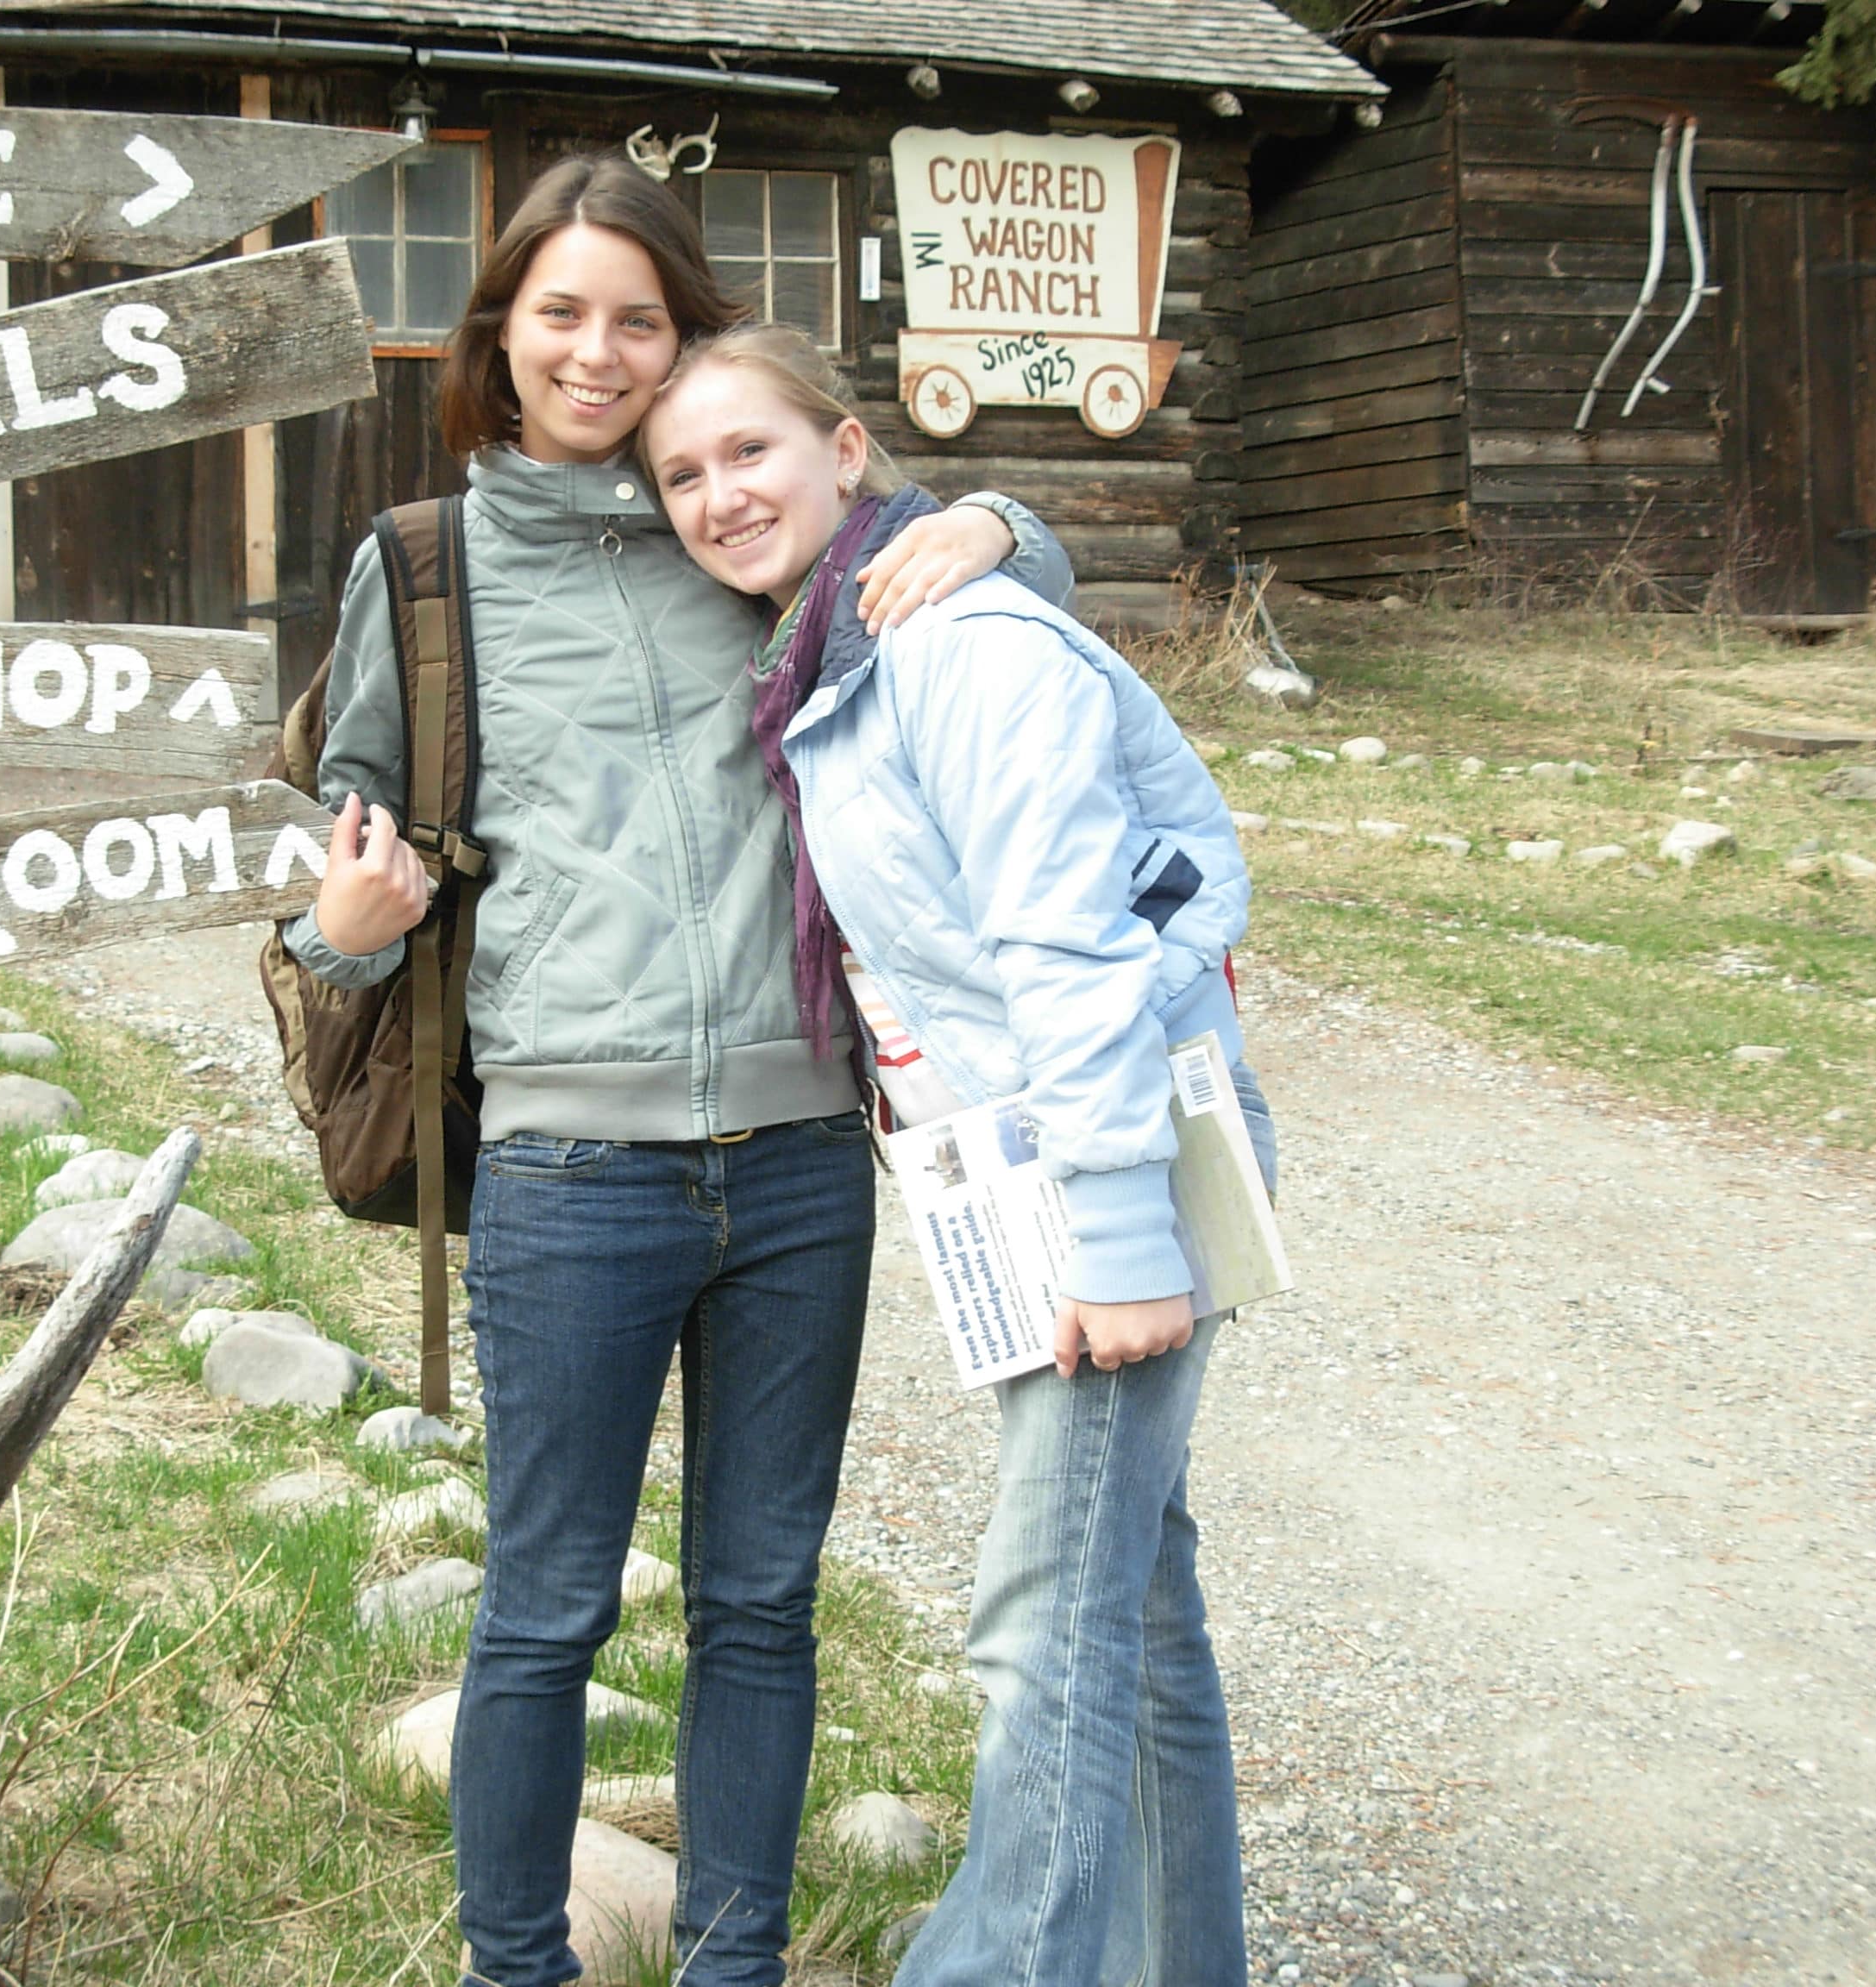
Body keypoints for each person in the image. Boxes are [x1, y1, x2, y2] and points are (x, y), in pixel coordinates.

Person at [282, 156, 1075, 1987]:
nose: (601, 351)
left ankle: (734, 1965)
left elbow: (950, 560)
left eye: (640, 315)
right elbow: (345, 885)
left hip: (805, 1156)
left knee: (759, 1609)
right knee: (544, 1609)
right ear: (501, 332)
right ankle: (517, 1968)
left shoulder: (749, 521)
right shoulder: (423, 569)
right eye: (561, 311)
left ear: (689, 331)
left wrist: (1012, 528)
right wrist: (349, 921)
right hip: (571, 1167)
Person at [641, 322, 1277, 1987]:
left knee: (1041, 1626)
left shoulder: (956, 643)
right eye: (682, 474)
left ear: (848, 453)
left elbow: (1067, 949)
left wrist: (1121, 1235)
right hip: (1040, 1162)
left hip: (1100, 1168)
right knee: (1130, 1611)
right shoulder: (837, 655)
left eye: (750, 452)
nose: (719, 495)